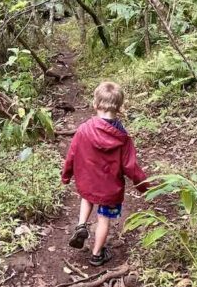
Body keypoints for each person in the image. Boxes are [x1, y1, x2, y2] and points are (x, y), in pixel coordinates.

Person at [61, 80, 149, 266]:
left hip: (88, 182)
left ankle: (81, 224)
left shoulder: (84, 129)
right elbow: (131, 167)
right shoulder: (123, 137)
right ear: (119, 107)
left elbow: (72, 154)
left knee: (87, 197)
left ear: (95, 104)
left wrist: (66, 175)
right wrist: (144, 187)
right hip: (110, 189)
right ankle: (96, 255)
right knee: (103, 219)